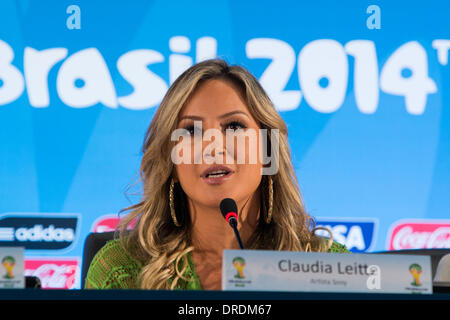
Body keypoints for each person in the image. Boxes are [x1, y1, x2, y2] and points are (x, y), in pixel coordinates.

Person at [85, 59, 349, 290]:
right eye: (191, 131)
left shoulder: (329, 268)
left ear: (268, 151)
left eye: (234, 126)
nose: (212, 147)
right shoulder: (122, 272)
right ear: (172, 165)